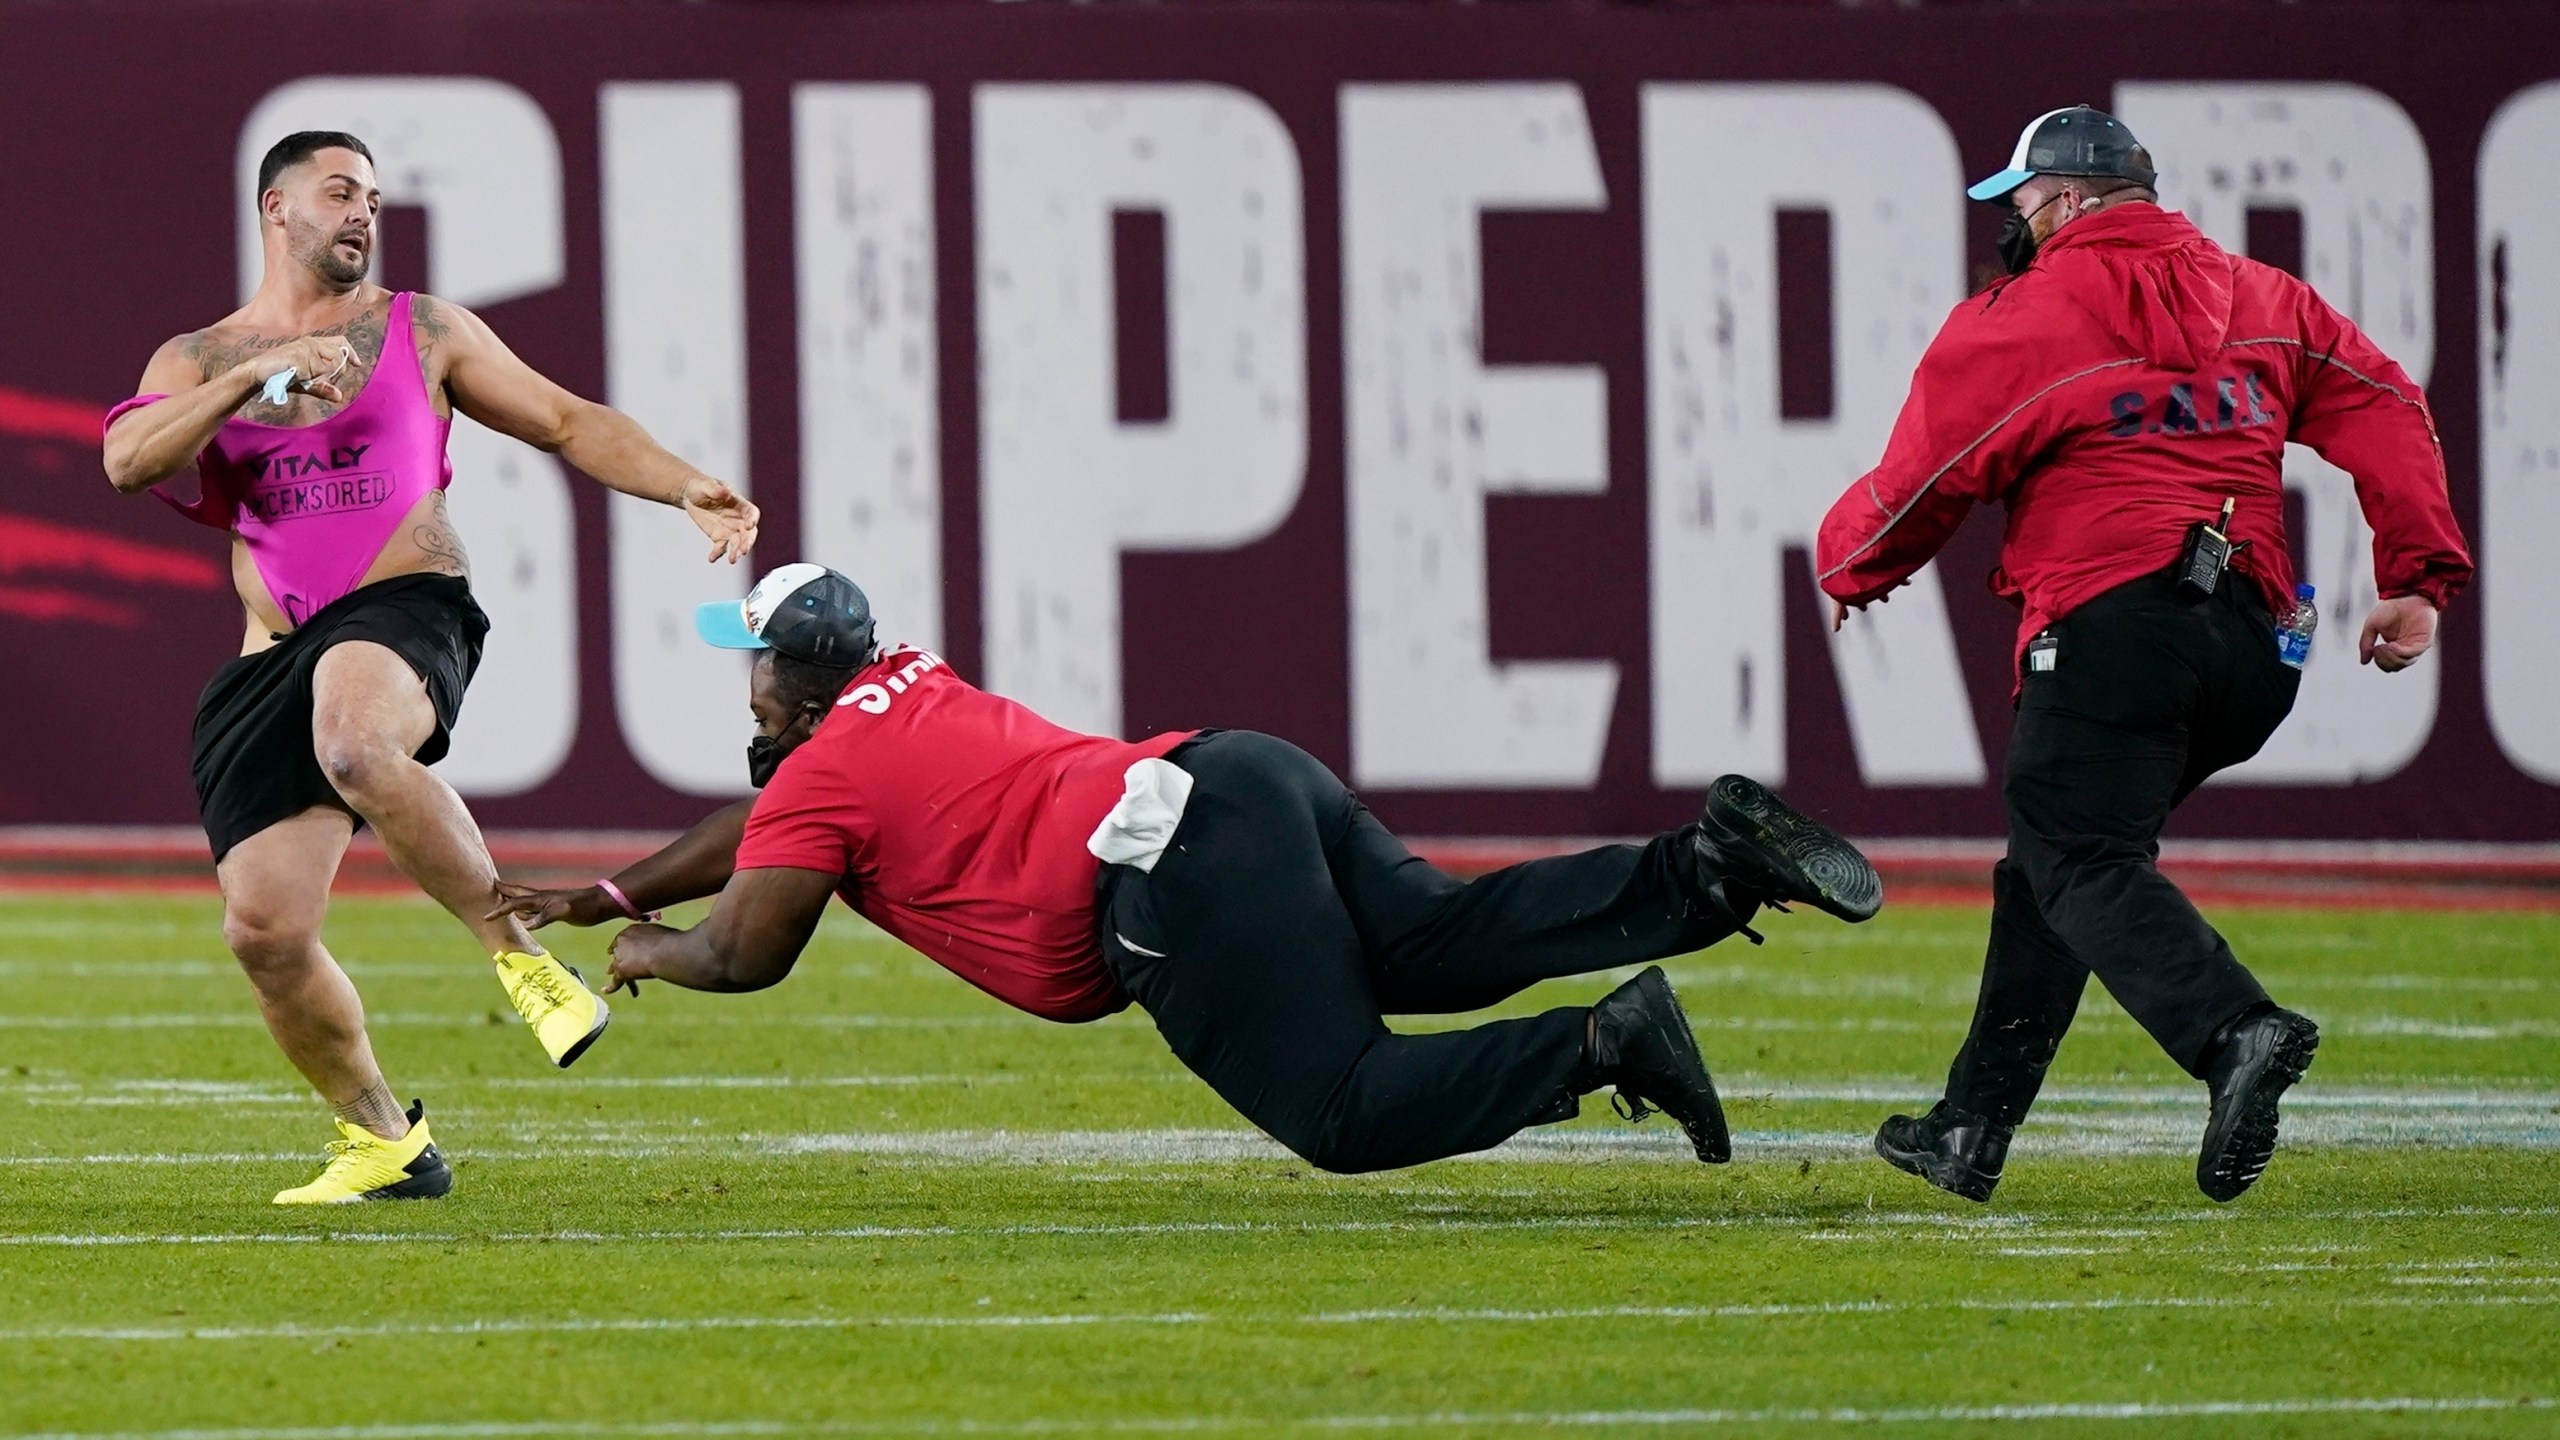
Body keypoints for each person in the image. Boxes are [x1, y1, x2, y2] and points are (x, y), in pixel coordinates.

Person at [491, 564, 1887, 1173]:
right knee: (1432, 937)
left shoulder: (820, 769)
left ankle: (1601, 1042)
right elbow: (776, 826)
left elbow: (749, 947)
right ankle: (1704, 872)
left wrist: (642, 955)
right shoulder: (892, 687)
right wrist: (617, 888)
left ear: (788, 687)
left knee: (1342, 1107)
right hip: (1241, 773)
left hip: (1158, 876)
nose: (741, 686)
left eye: (750, 664)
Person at [1814, 106, 2472, 1203]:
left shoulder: (2025, 315)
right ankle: (1970, 1127)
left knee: (2075, 854)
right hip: (2254, 651)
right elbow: (2386, 402)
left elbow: (1927, 476)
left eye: (2020, 201)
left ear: (2067, 202)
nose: (2012, 222)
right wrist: (2416, 575)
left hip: (2116, 630)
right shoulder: (2263, 298)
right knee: (2057, 858)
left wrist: (1852, 568)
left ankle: (2232, 1034)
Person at [100, 131, 762, 1203]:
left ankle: (522, 959)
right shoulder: (200, 358)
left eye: (372, 196)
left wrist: (684, 484)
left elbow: (563, 420)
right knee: (264, 932)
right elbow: (129, 462)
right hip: (270, 659)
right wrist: (252, 381)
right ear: (277, 209)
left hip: (406, 610)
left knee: (357, 742)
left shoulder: (424, 329)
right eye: (338, 192)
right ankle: (384, 1141)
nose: (362, 211)